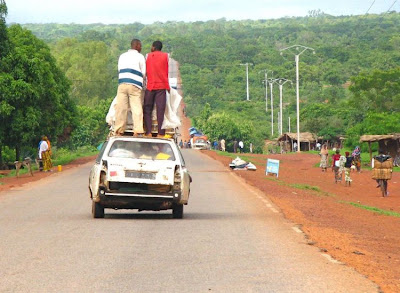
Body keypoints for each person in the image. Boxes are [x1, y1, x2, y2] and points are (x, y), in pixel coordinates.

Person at [114, 39, 146, 137]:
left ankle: (119, 130)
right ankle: (138, 130)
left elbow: (119, 69)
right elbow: (144, 73)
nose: (141, 48)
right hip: (135, 85)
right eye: (140, 46)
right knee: (136, 107)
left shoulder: (122, 56)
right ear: (137, 46)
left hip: (122, 83)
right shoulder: (140, 57)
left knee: (121, 107)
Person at [143, 40, 170, 138]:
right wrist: (168, 86)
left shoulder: (148, 56)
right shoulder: (166, 56)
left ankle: (148, 132)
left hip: (150, 85)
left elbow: (145, 72)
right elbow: (167, 71)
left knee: (147, 108)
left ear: (153, 47)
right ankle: (161, 133)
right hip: (162, 86)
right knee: (161, 110)